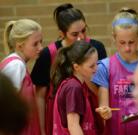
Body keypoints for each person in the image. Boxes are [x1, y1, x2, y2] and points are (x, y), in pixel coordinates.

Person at [31, 3, 107, 135]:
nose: (81, 37)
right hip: (61, 121)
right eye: (74, 34)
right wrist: (42, 131)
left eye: (83, 30)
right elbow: (40, 96)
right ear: (61, 34)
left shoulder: (96, 48)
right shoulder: (48, 54)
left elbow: (102, 88)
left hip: (91, 114)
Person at [92, 8, 138, 135]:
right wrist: (105, 112)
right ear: (114, 39)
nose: (127, 48)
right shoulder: (105, 67)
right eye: (122, 43)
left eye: (131, 42)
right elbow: (104, 107)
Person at [0, 19, 43, 135]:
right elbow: (5, 107)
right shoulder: (16, 65)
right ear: (20, 46)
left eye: (41, 42)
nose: (40, 48)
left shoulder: (18, 63)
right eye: (35, 44)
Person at [51, 40, 98, 135]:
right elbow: (73, 125)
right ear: (76, 67)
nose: (96, 68)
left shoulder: (73, 84)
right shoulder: (73, 87)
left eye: (96, 63)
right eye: (91, 66)